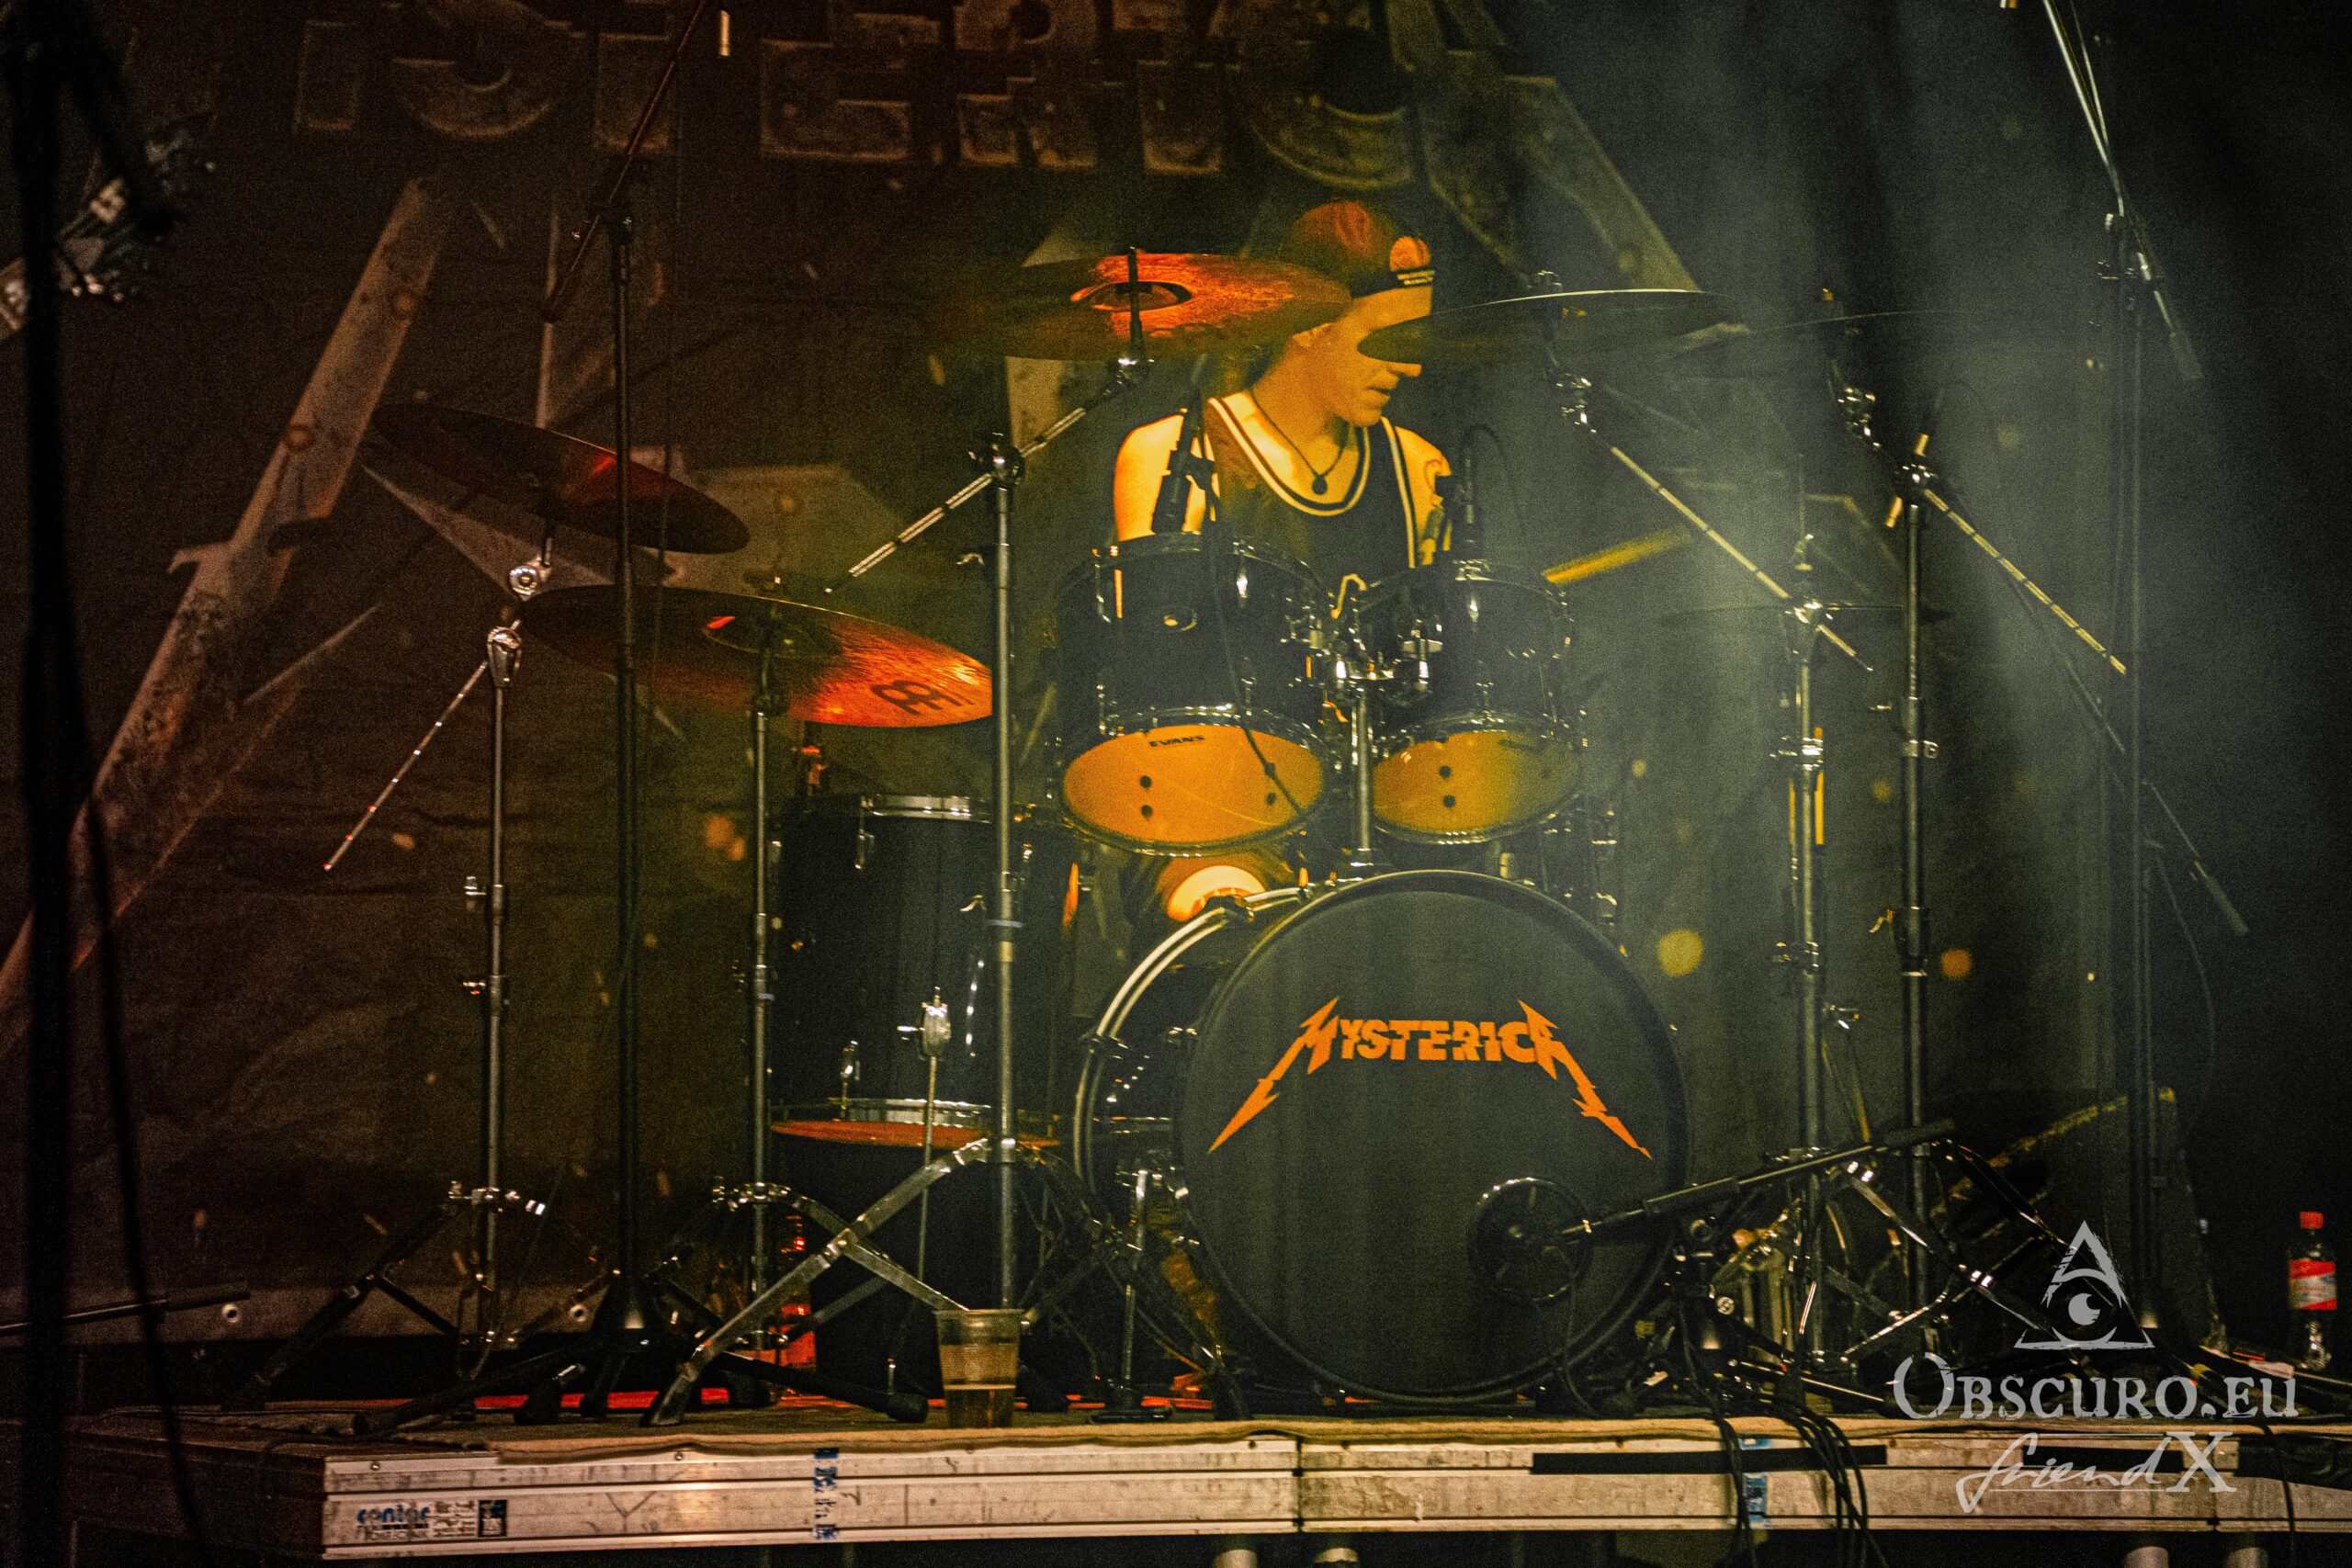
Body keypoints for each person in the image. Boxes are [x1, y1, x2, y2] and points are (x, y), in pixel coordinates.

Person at [1111, 201, 1450, 613]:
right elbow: (1151, 644)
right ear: (1307, 326)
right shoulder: (1171, 457)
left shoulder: (1420, 471)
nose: (1412, 367)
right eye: (1389, 337)